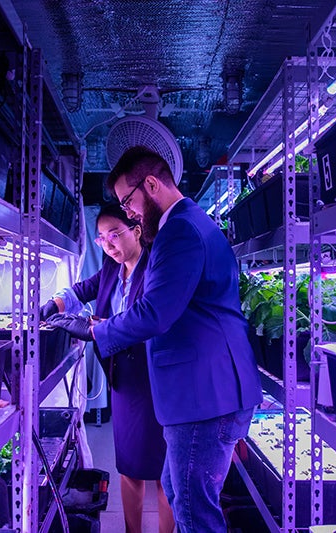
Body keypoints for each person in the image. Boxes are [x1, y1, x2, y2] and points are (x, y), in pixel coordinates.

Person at [47, 146, 263, 532]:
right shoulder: (186, 223)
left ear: (151, 185)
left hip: (205, 395)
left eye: (128, 202)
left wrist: (95, 329)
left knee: (194, 511)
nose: (127, 213)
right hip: (205, 390)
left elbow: (154, 313)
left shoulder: (178, 230)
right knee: (178, 491)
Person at [40, 203, 174, 533]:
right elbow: (80, 290)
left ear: (137, 231)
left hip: (154, 377)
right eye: (101, 238)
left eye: (114, 234)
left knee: (163, 470)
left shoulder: (156, 266)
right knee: (128, 466)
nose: (108, 244)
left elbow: (146, 316)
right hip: (123, 378)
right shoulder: (111, 269)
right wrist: (51, 306)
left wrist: (97, 325)